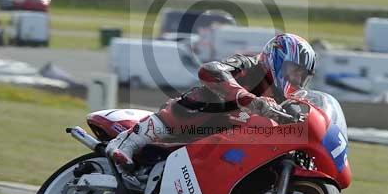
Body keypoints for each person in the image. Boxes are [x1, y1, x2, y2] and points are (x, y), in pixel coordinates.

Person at [106, 33, 317, 168]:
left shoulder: (284, 100)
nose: (297, 79)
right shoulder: (249, 64)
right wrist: (247, 98)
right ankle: (127, 143)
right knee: (200, 101)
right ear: (277, 58)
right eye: (294, 70)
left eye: (301, 76)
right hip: (204, 120)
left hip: (228, 141)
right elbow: (211, 70)